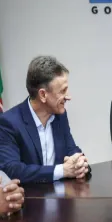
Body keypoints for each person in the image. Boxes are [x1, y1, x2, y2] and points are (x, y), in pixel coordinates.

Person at [0, 56, 89, 184]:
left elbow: (71, 149)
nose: (68, 96)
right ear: (43, 95)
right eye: (63, 91)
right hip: (29, 195)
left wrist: (79, 162)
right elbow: (13, 169)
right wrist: (62, 171)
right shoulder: (9, 122)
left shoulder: (60, 116)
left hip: (62, 194)